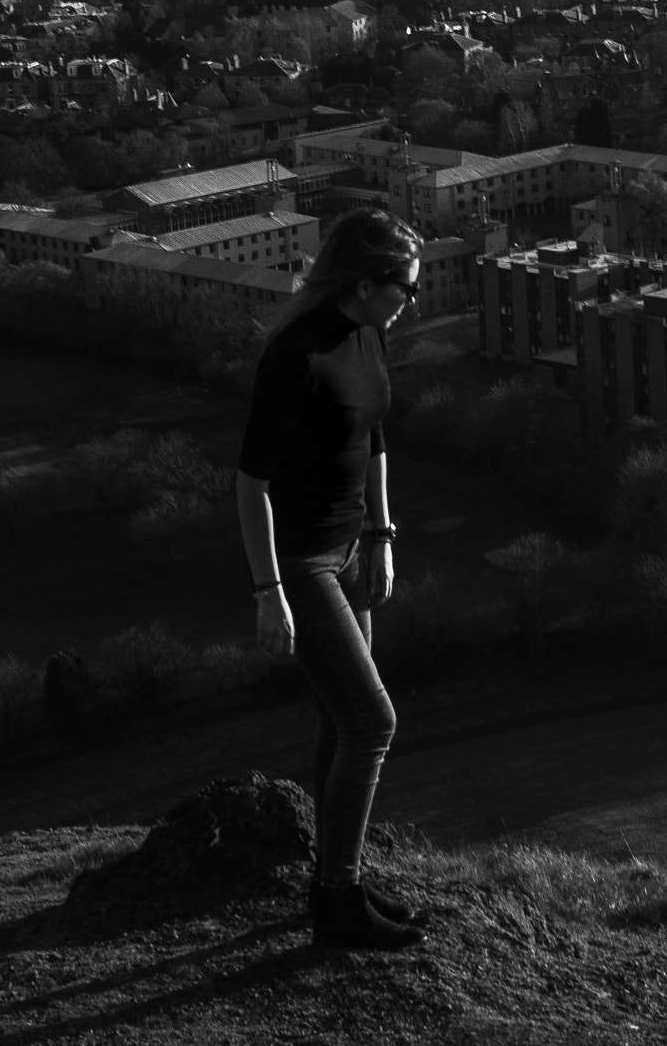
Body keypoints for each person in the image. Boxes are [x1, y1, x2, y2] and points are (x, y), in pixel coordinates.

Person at [235, 208, 428, 950]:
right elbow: (251, 482)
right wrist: (268, 591)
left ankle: (337, 874)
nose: (410, 302)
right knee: (372, 721)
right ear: (364, 281)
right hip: (301, 561)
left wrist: (381, 534)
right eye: (403, 287)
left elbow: (375, 434)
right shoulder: (294, 353)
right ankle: (336, 902)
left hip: (352, 551)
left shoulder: (368, 333)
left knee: (337, 718)